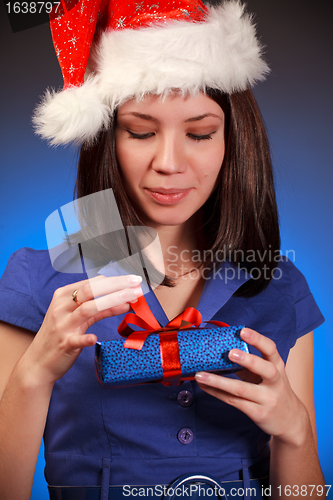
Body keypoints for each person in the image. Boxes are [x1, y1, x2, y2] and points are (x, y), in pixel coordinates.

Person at [0, 1, 326, 499]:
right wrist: (35, 374)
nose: (169, 163)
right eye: (141, 131)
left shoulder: (279, 286)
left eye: (199, 133)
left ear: (233, 140)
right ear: (107, 137)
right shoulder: (39, 280)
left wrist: (296, 429)